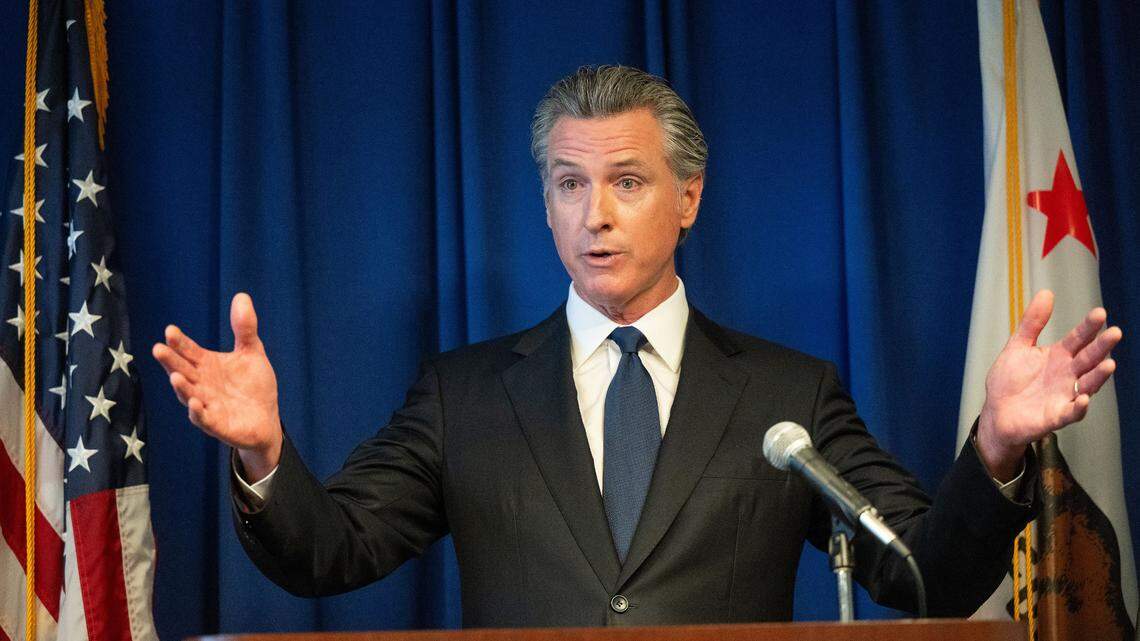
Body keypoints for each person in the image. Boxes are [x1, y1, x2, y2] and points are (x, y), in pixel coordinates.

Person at [152, 65, 1122, 627]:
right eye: (569, 184)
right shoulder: (465, 394)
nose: (595, 215)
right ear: (545, 204)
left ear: (688, 197)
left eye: (627, 181)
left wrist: (997, 444)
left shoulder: (787, 395)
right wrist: (264, 452)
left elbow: (921, 575)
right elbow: (331, 551)